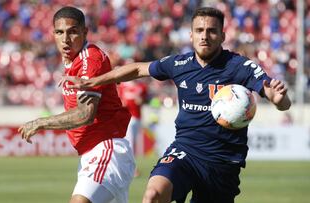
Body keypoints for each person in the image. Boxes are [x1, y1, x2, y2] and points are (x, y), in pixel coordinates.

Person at [59, 7, 292, 203]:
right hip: (185, 152)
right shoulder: (180, 63)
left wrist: (280, 99)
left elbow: (275, 95)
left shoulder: (239, 66)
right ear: (190, 35)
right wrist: (94, 81)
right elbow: (138, 68)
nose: (204, 36)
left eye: (211, 31)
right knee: (152, 194)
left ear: (222, 35)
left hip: (222, 162)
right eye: (199, 30)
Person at [18, 6, 135, 203]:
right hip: (90, 154)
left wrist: (40, 122)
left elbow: (85, 114)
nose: (65, 39)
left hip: (107, 148)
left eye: (72, 32)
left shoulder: (90, 59)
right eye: (59, 32)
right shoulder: (72, 61)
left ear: (84, 32)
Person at [118, 79, 148, 177]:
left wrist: (140, 100)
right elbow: (120, 101)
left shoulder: (141, 86)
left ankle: (127, 167)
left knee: (130, 144)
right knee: (129, 144)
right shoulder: (123, 85)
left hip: (137, 117)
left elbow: (142, 101)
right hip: (127, 118)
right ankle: (131, 169)